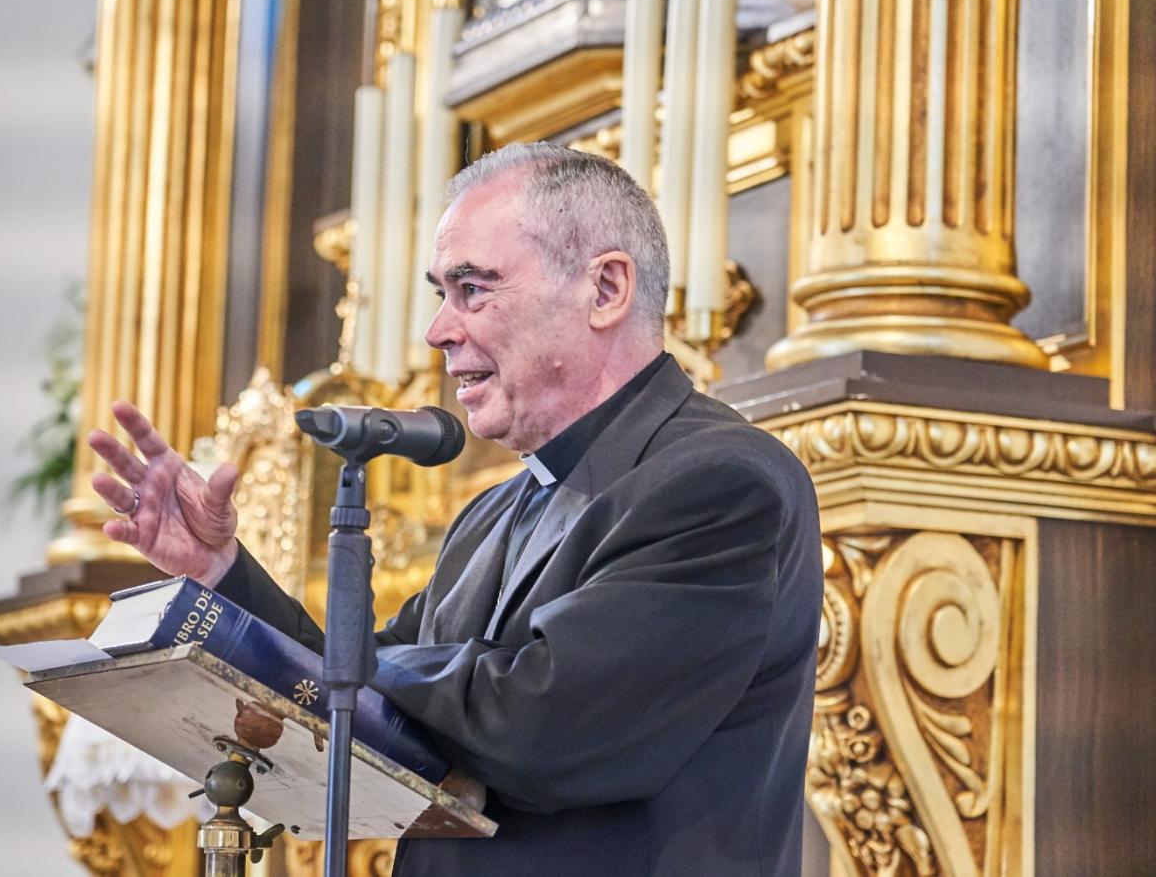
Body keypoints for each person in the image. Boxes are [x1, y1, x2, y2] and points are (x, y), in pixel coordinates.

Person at [88, 142, 823, 876]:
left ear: (605, 290)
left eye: (472, 289)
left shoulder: (723, 482)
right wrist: (223, 571)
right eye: (442, 292)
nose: (440, 329)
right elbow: (362, 705)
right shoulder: (490, 516)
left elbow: (544, 734)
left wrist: (375, 672)